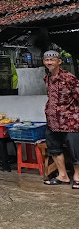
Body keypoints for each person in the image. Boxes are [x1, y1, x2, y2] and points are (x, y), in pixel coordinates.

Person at [41, 50, 79, 187]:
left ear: (59, 62)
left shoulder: (69, 78)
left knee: (76, 151)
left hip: (70, 122)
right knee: (54, 149)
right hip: (52, 121)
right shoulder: (47, 78)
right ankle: (62, 176)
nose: (49, 62)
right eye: (46, 60)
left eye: (52, 60)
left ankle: (77, 177)